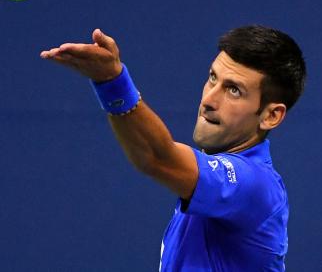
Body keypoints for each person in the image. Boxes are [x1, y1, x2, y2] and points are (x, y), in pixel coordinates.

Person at [40, 25, 306, 271]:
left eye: (234, 90)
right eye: (213, 77)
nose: (209, 100)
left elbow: (157, 157)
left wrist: (112, 81)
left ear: (271, 116)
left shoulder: (256, 186)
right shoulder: (212, 188)